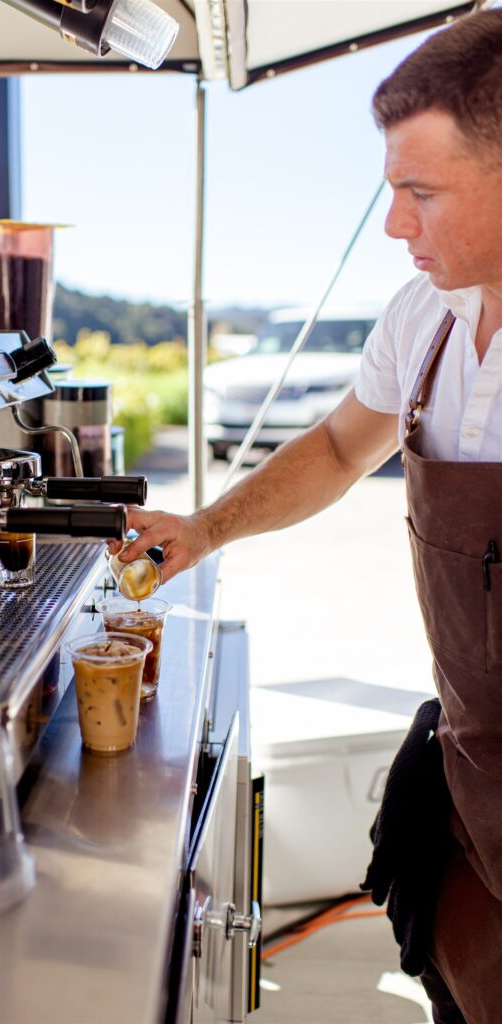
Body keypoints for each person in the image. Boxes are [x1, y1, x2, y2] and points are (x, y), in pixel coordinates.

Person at [110, 9, 502, 1022]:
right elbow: (336, 448)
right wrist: (203, 528)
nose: (395, 227)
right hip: (474, 775)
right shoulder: (426, 321)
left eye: (421, 193)